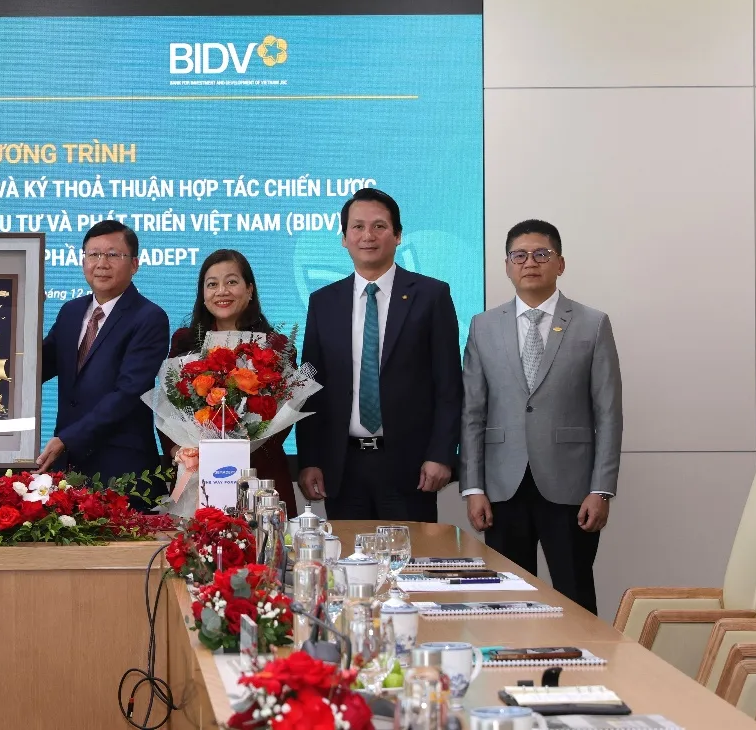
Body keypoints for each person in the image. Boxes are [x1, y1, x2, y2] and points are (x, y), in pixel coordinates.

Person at [461, 220, 622, 614]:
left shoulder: (592, 324)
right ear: (507, 265)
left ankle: (581, 656)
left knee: (574, 593)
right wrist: (473, 487)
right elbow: (472, 412)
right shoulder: (483, 326)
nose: (529, 262)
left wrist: (601, 489)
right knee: (507, 600)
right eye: (519, 255)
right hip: (502, 487)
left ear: (560, 263)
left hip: (571, 487)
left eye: (541, 254)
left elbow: (608, 413)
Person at [295, 187, 462, 522]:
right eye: (357, 227)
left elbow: (449, 385)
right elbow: (310, 388)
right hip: (343, 468)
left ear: (398, 235)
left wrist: (441, 454)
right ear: (344, 238)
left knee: (411, 556)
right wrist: (309, 460)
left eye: (379, 226)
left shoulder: (431, 295)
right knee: (345, 556)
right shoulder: (323, 301)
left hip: (411, 468)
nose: (367, 236)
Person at [36, 220, 170, 494]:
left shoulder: (149, 317)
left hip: (122, 470)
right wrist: (22, 310)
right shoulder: (70, 312)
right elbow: (36, 368)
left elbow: (128, 393)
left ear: (134, 264)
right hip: (69, 468)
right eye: (94, 254)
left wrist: (68, 439)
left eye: (113, 255)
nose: (102, 263)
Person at [165, 249, 296, 500]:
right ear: (203, 294)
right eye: (212, 284)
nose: (221, 291)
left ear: (249, 289)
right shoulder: (184, 342)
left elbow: (283, 416)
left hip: (260, 474)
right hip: (197, 471)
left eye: (232, 282)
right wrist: (180, 450)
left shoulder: (276, 347)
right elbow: (168, 407)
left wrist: (237, 450)